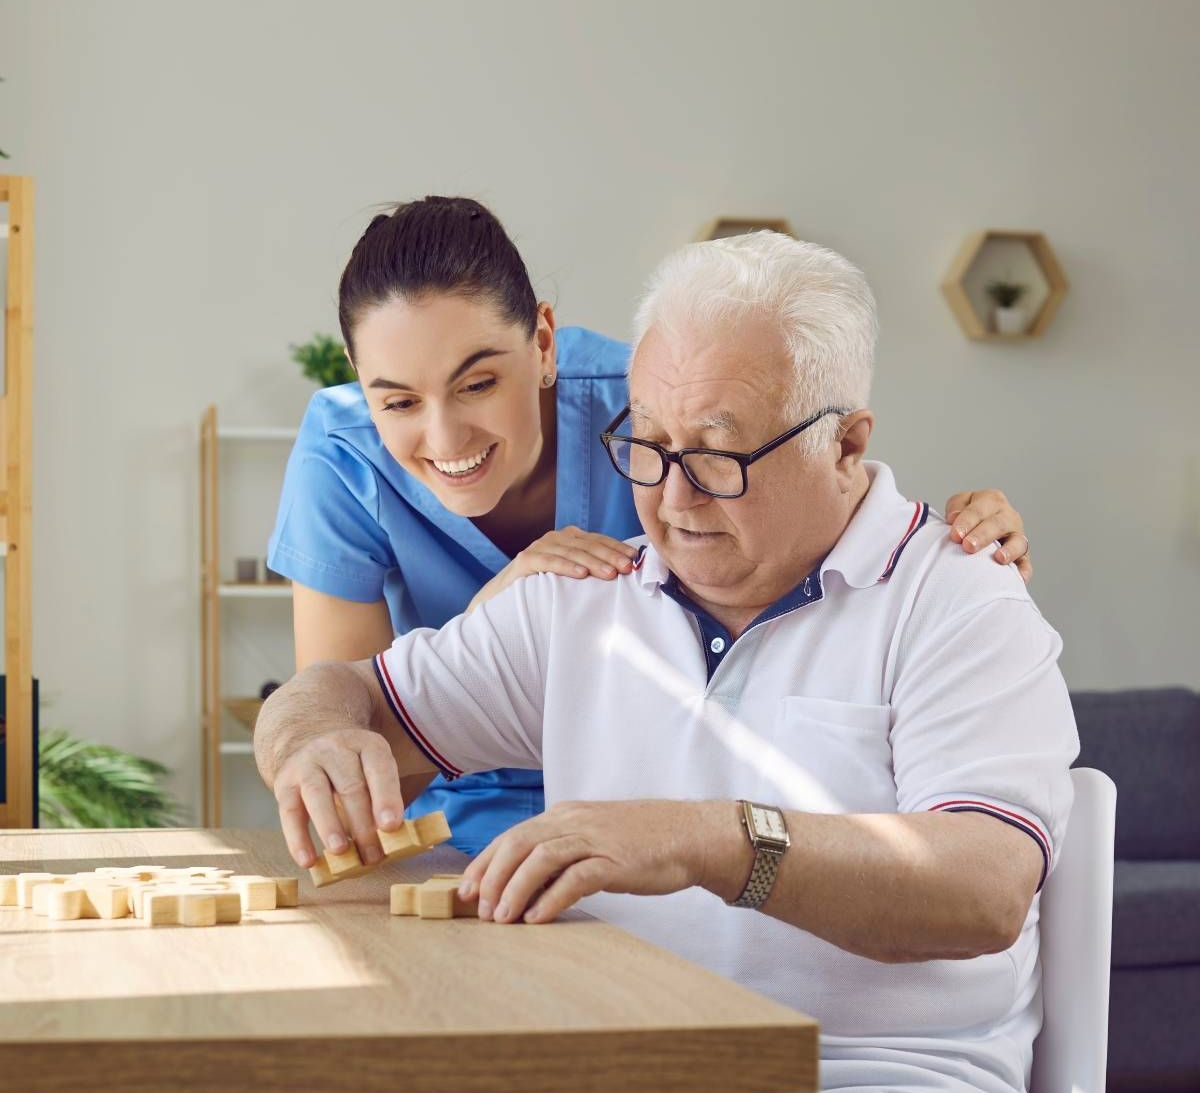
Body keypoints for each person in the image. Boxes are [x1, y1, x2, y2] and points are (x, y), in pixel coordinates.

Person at [256, 230, 1075, 1093]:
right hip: (606, 1085)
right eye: (645, 447)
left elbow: (983, 887)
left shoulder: (959, 595)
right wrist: (312, 739)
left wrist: (704, 839)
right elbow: (336, 693)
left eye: (719, 459)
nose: (673, 501)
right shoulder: (585, 599)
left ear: (845, 443)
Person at [268, 196, 1033, 858]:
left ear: (542, 344)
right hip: (462, 825)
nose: (445, 438)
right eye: (398, 401)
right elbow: (350, 735)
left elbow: (805, 475)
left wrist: (953, 546)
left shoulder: (659, 406)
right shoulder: (351, 463)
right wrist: (323, 736)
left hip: (670, 823)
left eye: (477, 382)